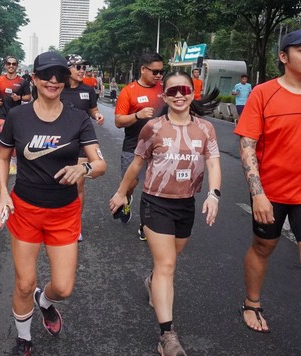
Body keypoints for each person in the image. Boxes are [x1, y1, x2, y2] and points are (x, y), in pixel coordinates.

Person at [0, 51, 106, 355]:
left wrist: (84, 168)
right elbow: (3, 158)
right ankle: (24, 339)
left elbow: (100, 164)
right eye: (46, 75)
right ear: (35, 78)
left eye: (59, 75)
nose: (53, 81)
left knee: (64, 288)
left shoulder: (77, 118)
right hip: (25, 209)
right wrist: (3, 192)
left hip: (64, 213)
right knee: (23, 283)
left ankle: (44, 300)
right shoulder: (18, 117)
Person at [109, 70, 222, 356]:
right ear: (164, 96)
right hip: (155, 203)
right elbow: (136, 164)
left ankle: (152, 281)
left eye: (184, 90)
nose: (179, 96)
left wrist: (214, 195)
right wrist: (122, 192)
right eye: (172, 91)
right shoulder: (153, 128)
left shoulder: (206, 128)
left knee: (170, 259)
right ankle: (167, 336)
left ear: (192, 93)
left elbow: (213, 163)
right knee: (167, 265)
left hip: (186, 204)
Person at [234, 29, 301, 334]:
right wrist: (257, 194)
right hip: (271, 191)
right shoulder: (263, 93)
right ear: (283, 56)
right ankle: (252, 303)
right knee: (263, 246)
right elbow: (247, 145)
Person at [113, 52, 165, 238]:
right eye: (155, 72)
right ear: (143, 69)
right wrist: (137, 115)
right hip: (133, 145)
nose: (159, 76)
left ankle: (146, 225)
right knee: (130, 184)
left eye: (161, 72)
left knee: (153, 189)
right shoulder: (129, 91)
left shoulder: (165, 89)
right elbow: (118, 121)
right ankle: (126, 198)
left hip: (160, 147)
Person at [61, 54, 104, 241]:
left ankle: (75, 223)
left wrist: (97, 115)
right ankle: (56, 219)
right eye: (77, 67)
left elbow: (92, 108)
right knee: (59, 182)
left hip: (81, 141)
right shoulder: (58, 88)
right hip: (59, 141)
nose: (82, 71)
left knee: (78, 183)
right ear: (68, 69)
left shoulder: (88, 89)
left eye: (83, 67)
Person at [0, 57, 32, 175]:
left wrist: (19, 98)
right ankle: (2, 165)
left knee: (13, 139)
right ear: (5, 65)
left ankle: (13, 162)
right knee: (2, 138)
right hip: (2, 114)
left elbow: (28, 97)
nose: (11, 66)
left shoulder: (22, 81)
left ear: (17, 66)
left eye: (14, 64)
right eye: (9, 63)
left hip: (16, 114)